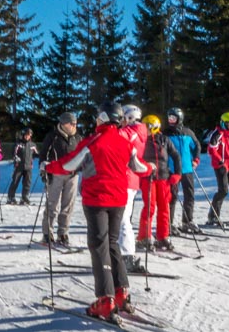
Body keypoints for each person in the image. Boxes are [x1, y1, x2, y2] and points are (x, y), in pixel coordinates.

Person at [47, 102, 154, 323]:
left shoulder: (93, 141)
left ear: (103, 118)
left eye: (98, 117)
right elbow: (139, 167)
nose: (95, 121)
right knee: (112, 242)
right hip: (118, 200)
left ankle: (105, 301)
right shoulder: (125, 142)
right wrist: (152, 168)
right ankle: (121, 292)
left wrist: (48, 167)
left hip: (97, 200)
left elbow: (69, 165)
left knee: (99, 245)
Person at [137, 115, 180, 251]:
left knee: (164, 207)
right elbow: (135, 157)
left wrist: (177, 173)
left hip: (163, 178)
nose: (145, 130)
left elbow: (176, 155)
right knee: (149, 207)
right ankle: (144, 237)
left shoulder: (164, 140)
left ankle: (163, 237)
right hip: (148, 178)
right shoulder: (141, 140)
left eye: (147, 127)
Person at [39, 111, 82, 245]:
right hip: (56, 174)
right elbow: (43, 154)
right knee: (52, 204)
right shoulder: (53, 137)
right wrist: (43, 169)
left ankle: (63, 232)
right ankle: (47, 233)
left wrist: (79, 168)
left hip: (72, 175)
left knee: (68, 205)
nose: (74, 126)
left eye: (75, 123)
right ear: (63, 124)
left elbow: (82, 155)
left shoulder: (78, 138)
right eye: (71, 123)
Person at [118, 104, 148, 273]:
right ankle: (122, 252)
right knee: (123, 217)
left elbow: (114, 140)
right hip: (130, 179)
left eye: (122, 118)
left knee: (122, 219)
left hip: (125, 178)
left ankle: (127, 254)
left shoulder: (131, 132)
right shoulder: (139, 132)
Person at [165, 107, 202, 234]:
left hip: (187, 169)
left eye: (173, 118)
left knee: (189, 195)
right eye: (169, 117)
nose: (170, 120)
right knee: (172, 197)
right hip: (172, 170)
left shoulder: (188, 133)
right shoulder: (165, 134)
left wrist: (196, 159)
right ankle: (168, 223)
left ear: (179, 118)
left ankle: (187, 221)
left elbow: (196, 146)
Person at [6, 127, 38, 205]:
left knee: (27, 182)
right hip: (19, 166)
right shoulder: (18, 144)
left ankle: (24, 197)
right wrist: (16, 157)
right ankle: (11, 197)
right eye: (26, 135)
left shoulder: (32, 145)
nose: (27, 137)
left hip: (28, 167)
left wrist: (42, 156)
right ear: (23, 135)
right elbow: (14, 152)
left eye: (29, 135)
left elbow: (36, 154)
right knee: (15, 181)